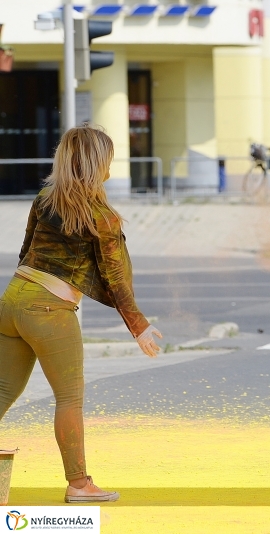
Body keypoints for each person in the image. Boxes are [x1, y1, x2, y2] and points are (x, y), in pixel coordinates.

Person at [0, 125, 162, 503]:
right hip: (49, 308)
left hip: (11, 301)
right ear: (97, 163)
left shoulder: (44, 197)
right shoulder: (100, 216)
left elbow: (26, 251)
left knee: (3, 391)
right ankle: (79, 485)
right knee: (69, 399)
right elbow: (115, 277)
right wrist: (138, 327)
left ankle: (79, 483)